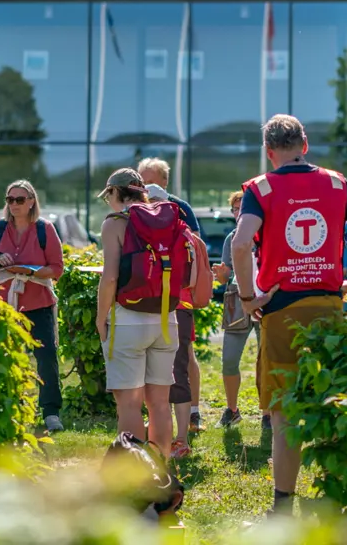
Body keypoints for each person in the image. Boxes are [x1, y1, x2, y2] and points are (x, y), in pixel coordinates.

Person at [232, 114, 347, 516]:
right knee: (332, 403)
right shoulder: (338, 184)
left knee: (285, 414)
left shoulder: (260, 188)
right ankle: (334, 501)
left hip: (281, 309)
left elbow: (239, 244)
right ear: (305, 144)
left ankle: (282, 507)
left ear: (270, 153)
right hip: (329, 308)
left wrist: (249, 297)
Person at [96, 168, 178, 458]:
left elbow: (110, 278)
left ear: (116, 192)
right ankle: (162, 468)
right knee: (159, 403)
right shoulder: (166, 218)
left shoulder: (115, 224)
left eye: (108, 196)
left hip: (127, 320)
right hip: (166, 318)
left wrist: (99, 317)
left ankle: (134, 475)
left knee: (129, 403)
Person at [0, 180, 66, 433]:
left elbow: (57, 269)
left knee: (46, 356)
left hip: (39, 303)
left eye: (19, 199)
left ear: (31, 202)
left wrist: (32, 272)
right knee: (2, 357)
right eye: (10, 199)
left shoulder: (45, 229)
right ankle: (6, 407)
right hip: (3, 304)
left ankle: (50, 412)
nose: (14, 204)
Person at [138, 157, 204, 450]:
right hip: (154, 304)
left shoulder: (182, 223)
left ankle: (182, 431)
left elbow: (195, 266)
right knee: (153, 370)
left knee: (178, 366)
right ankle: (164, 433)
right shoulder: (135, 218)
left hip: (175, 304)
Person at [213, 191, 264, 429]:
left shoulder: (268, 234)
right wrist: (224, 277)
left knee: (267, 361)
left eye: (243, 207)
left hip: (266, 302)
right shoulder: (231, 238)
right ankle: (232, 410)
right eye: (235, 209)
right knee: (229, 361)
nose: (238, 212)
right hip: (236, 301)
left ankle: (268, 413)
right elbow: (227, 277)